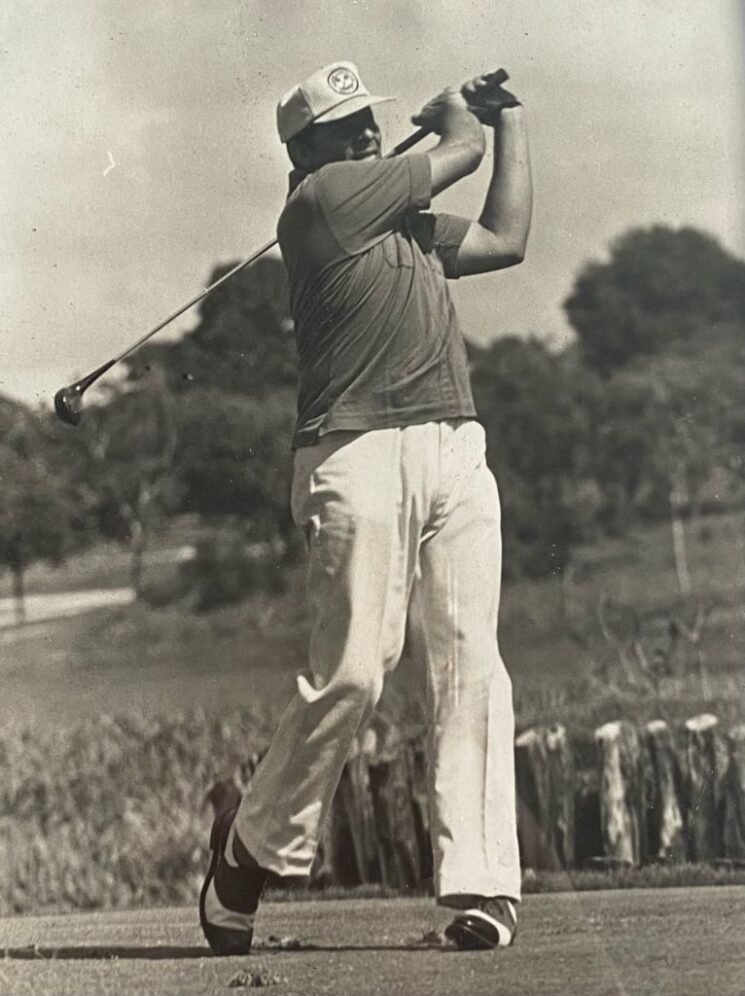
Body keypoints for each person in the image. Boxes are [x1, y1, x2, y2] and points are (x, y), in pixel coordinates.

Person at [199, 59, 533, 955]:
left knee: (471, 663)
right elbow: (456, 150)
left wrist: (508, 122)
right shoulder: (324, 201)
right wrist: (460, 114)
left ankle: (482, 886)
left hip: (452, 441)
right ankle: (248, 849)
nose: (367, 134)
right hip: (356, 450)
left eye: (369, 121)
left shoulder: (399, 218)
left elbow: (505, 239)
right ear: (303, 155)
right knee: (353, 672)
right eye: (345, 128)